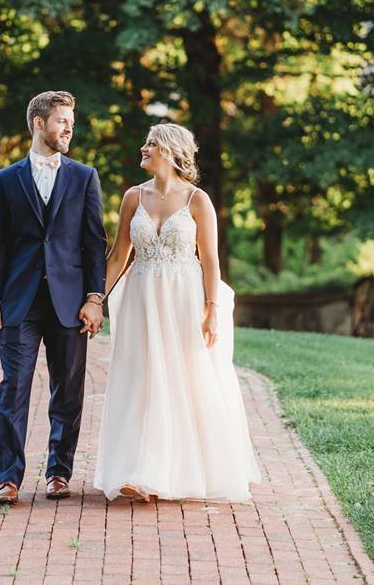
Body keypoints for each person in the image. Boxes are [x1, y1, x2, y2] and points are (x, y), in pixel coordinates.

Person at [93, 123, 260, 502]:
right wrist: (95, 299)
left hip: (183, 299)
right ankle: (141, 472)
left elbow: (211, 260)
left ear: (169, 151)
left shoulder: (197, 200)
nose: (143, 147)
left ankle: (175, 471)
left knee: (183, 379)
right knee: (142, 378)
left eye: (151, 143)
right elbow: (119, 256)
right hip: (140, 299)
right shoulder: (133, 197)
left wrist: (213, 309)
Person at [0, 91, 107, 506]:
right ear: (39, 123)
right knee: (12, 389)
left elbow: (94, 243)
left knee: (68, 390)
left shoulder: (84, 177)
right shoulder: (5, 180)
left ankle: (58, 472)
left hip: (70, 302)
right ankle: (8, 478)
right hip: (19, 301)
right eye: (61, 121)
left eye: (71, 121)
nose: (69, 128)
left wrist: (95, 298)